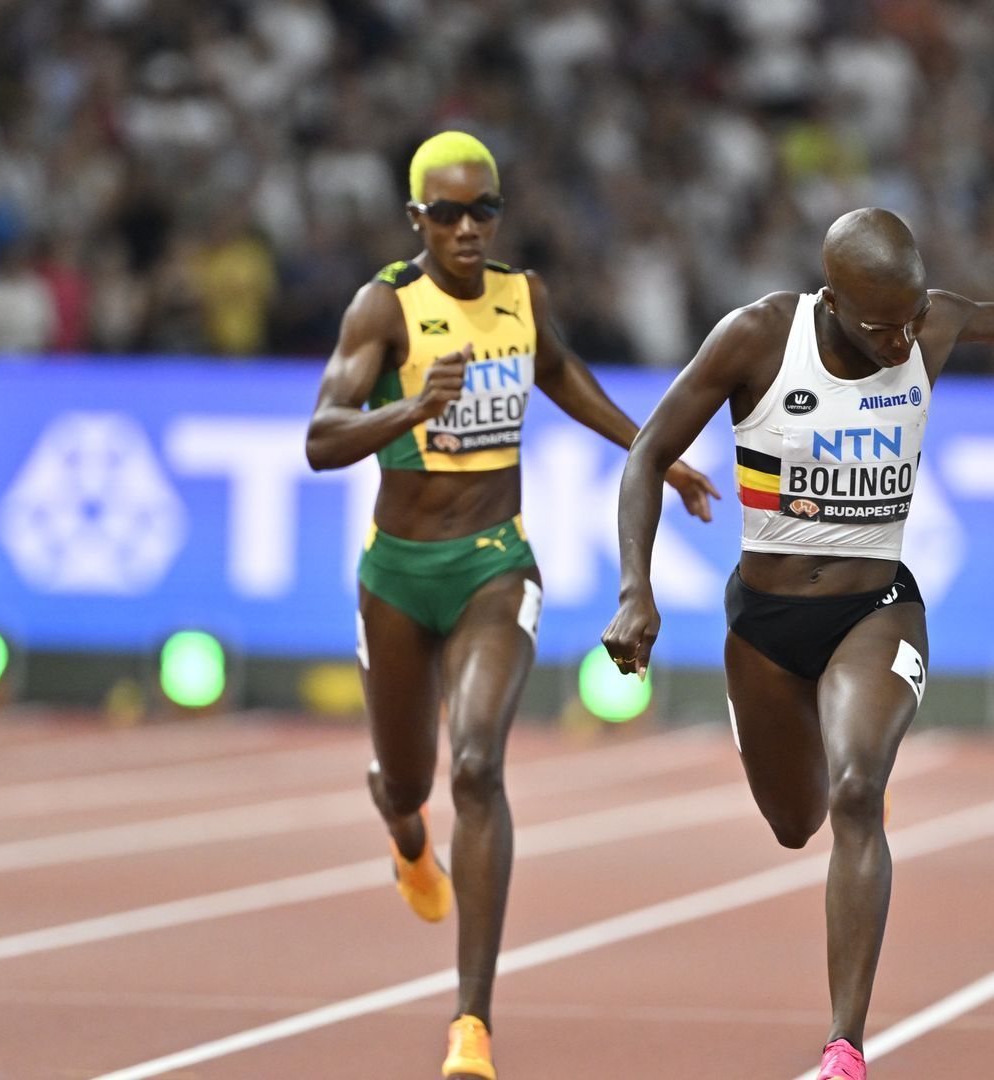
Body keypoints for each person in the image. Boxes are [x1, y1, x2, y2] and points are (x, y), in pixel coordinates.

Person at [602, 207, 994, 1080]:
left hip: (875, 607)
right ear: (832, 299)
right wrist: (634, 590)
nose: (902, 339)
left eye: (913, 316)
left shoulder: (929, 323)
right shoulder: (760, 338)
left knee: (855, 791)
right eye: (882, 324)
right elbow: (648, 450)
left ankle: (845, 1046)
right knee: (793, 822)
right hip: (764, 625)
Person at [305, 131, 719, 1079]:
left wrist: (653, 450)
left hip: (497, 564)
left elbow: (562, 375)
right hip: (398, 578)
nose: (464, 229)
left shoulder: (522, 297)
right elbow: (321, 439)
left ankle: (471, 1026)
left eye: (481, 211)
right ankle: (406, 837)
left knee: (480, 764)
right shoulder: (386, 308)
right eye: (445, 214)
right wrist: (408, 411)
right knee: (407, 783)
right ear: (416, 219)